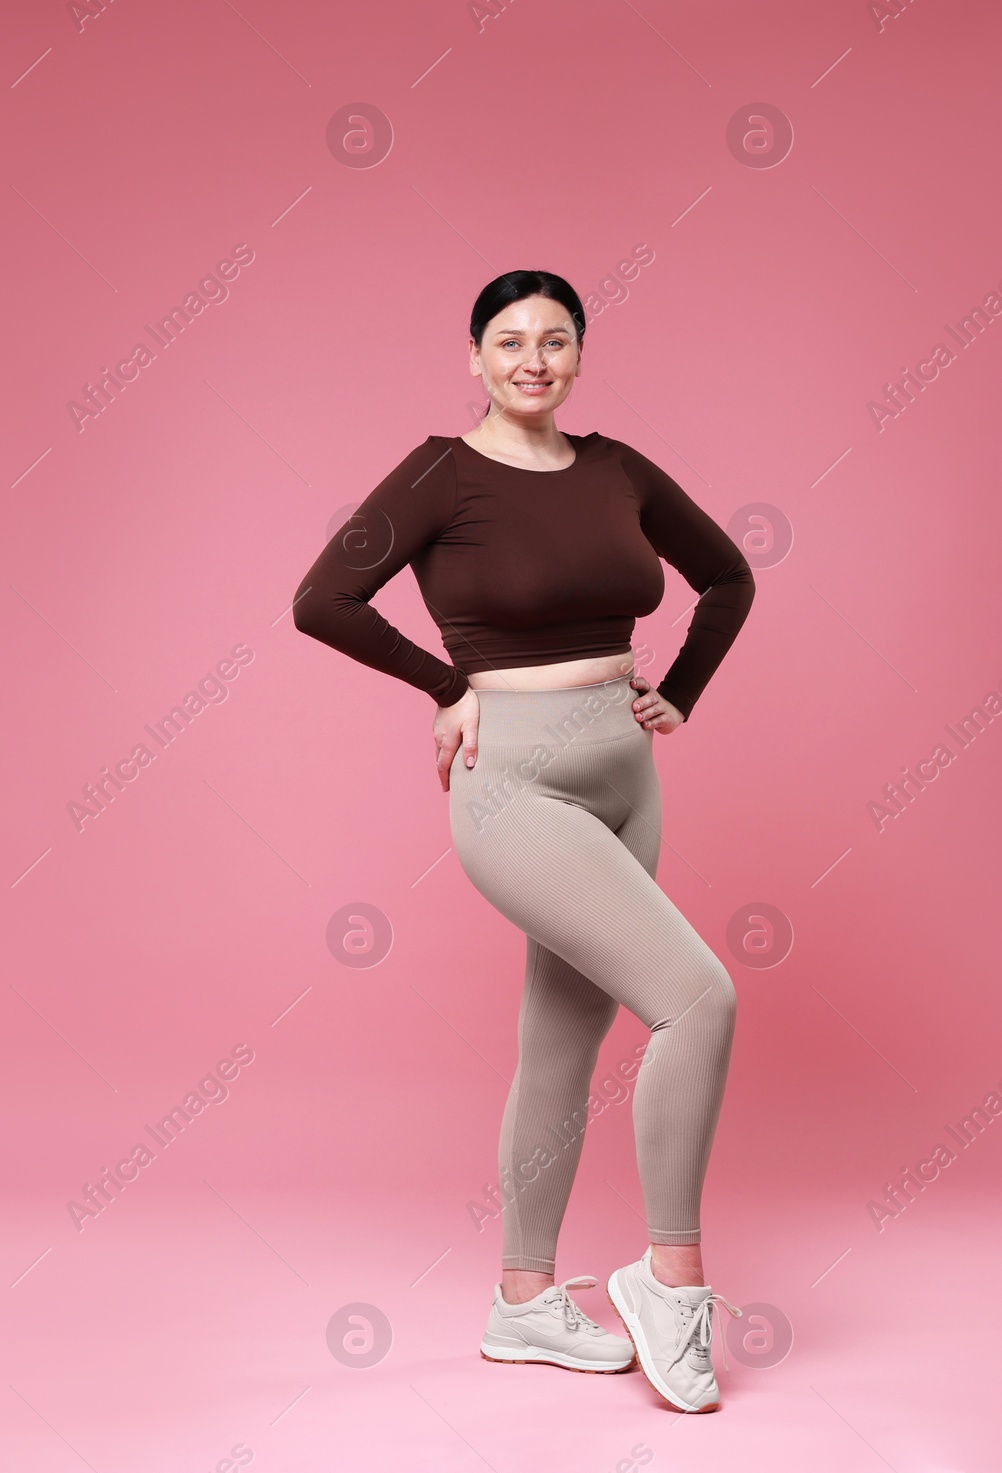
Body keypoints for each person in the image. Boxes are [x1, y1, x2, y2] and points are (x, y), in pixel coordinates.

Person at [292, 269, 755, 1412]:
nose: (533, 360)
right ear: (474, 357)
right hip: (517, 786)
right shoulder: (440, 473)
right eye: (510, 342)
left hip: (624, 772)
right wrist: (443, 685)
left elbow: (727, 578)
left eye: (555, 341)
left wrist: (680, 692)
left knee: (560, 1041)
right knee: (698, 1000)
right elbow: (322, 599)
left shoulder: (617, 470)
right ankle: (671, 1279)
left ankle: (523, 1301)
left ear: (580, 356)